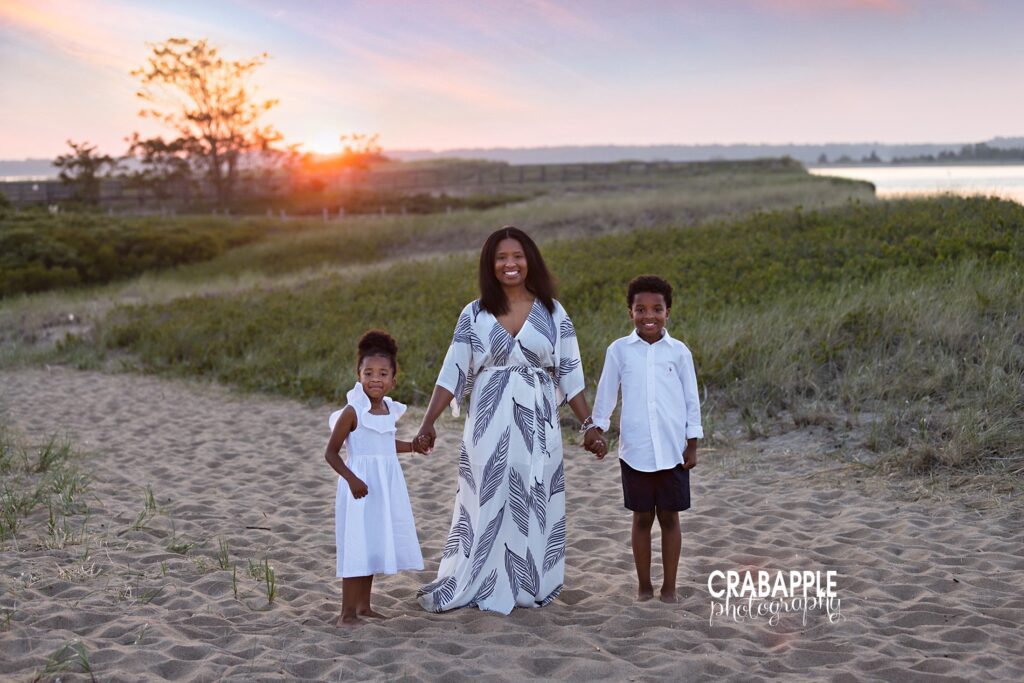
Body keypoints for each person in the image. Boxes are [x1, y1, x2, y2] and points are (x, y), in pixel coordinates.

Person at [414, 226, 603, 614]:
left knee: (531, 497)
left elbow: (570, 373)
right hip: (489, 420)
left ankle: (525, 583)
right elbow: (453, 371)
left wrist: (589, 426)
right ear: (490, 264)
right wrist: (428, 422)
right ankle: (480, 580)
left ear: (530, 260)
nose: (510, 264)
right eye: (501, 257)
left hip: (538, 421)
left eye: (517, 256)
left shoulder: (553, 312)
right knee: (487, 497)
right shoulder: (474, 313)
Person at [584, 275, 702, 603]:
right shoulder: (619, 351)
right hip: (635, 451)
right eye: (640, 309)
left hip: (673, 451)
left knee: (670, 518)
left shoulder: (679, 353)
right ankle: (644, 586)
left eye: (656, 309)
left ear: (668, 312)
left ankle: (670, 587)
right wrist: (597, 429)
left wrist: (693, 442)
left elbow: (691, 399)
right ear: (630, 312)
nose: (648, 316)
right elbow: (607, 392)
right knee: (642, 519)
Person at [324, 330, 425, 627]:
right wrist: (351, 479)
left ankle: (364, 607)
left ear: (394, 379)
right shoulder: (352, 411)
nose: (375, 379)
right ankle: (346, 614)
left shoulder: (388, 409)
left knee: (371, 544)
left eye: (383, 373)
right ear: (359, 375)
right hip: (358, 487)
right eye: (368, 373)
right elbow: (331, 453)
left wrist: (413, 446)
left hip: (382, 487)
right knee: (357, 544)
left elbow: (383, 445)